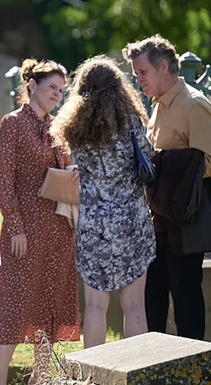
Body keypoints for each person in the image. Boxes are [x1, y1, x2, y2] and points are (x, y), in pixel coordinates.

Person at [50, 55, 156, 348]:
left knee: (95, 305)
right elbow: (149, 156)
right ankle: (138, 373)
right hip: (132, 221)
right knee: (134, 305)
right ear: (119, 88)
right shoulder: (131, 123)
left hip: (93, 223)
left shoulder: (75, 128)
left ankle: (94, 375)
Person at [0, 58, 79, 385]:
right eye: (51, 87)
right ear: (31, 86)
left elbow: (64, 169)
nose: (57, 94)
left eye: (61, 89)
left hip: (57, 229)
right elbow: (5, 177)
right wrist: (14, 226)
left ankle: (40, 377)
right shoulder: (12, 123)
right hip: (23, 230)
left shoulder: (58, 126)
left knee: (49, 301)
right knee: (14, 301)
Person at [123, 35, 211, 340]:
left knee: (186, 297)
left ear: (164, 67)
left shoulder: (194, 105)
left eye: (142, 72)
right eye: (135, 73)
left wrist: (164, 165)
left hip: (185, 221)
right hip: (156, 219)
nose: (138, 79)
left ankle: (193, 367)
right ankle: (154, 366)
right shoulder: (157, 106)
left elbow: (208, 163)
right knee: (153, 298)